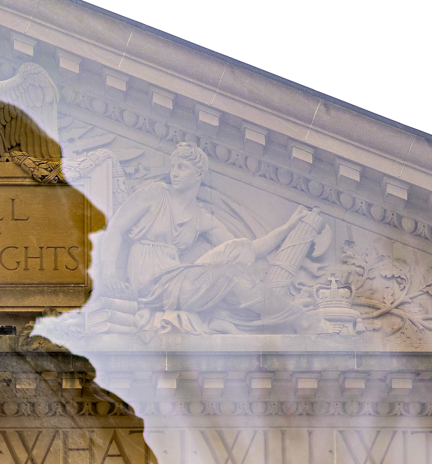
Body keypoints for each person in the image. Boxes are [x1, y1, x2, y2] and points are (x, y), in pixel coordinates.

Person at [95, 142, 321, 334]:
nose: (174, 172)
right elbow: (115, 229)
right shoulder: (155, 193)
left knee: (238, 250)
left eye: (182, 167)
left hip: (177, 275)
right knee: (231, 276)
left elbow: (250, 249)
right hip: (152, 281)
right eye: (173, 167)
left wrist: (287, 228)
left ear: (199, 174)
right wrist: (109, 276)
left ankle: (243, 311)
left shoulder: (201, 217)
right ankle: (296, 317)